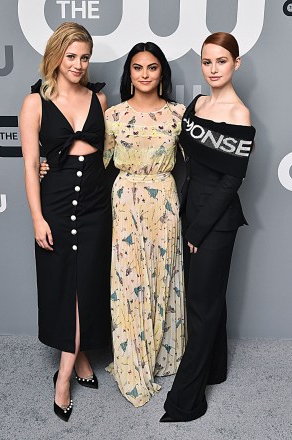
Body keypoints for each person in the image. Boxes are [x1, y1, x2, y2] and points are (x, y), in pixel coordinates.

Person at [161, 32, 256, 422]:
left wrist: (198, 230)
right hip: (189, 211)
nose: (213, 68)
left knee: (202, 305)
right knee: (208, 296)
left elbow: (230, 182)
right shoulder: (197, 104)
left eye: (221, 61)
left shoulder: (239, 114)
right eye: (206, 61)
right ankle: (216, 369)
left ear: (236, 64)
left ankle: (187, 399)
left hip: (214, 223)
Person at [20, 22, 111, 422]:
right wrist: (37, 217)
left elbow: (105, 157)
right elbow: (28, 166)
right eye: (71, 56)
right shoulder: (35, 103)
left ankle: (79, 360)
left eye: (84, 57)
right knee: (63, 285)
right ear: (56, 55)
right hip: (55, 203)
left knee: (87, 283)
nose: (78, 64)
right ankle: (66, 377)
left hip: (95, 204)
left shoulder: (100, 100)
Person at [103, 42, 186, 407]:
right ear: (130, 74)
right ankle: (132, 363)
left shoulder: (178, 115)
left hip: (165, 202)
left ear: (161, 73)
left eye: (152, 67)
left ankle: (162, 357)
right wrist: (47, 167)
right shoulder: (114, 116)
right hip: (126, 202)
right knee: (129, 281)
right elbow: (93, 166)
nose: (145, 74)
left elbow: (202, 164)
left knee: (162, 277)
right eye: (138, 67)